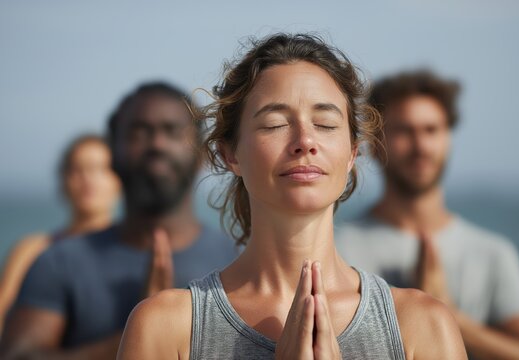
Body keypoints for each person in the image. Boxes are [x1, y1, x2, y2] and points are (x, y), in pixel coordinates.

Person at [117, 34, 466, 359]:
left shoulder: (422, 326)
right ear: (230, 154)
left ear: (352, 154)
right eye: (274, 124)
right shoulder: (168, 327)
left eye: (325, 124)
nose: (305, 140)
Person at [0, 82, 238, 358]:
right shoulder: (58, 262)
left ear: (202, 155)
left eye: (173, 131)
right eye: (139, 132)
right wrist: (139, 332)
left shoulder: (237, 261)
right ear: (111, 153)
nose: (157, 144)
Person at [335, 70, 519, 359]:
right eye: (404, 130)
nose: (421, 146)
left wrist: (450, 317)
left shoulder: (492, 252)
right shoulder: (337, 249)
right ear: (373, 143)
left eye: (432, 130)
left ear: (448, 139)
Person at [0, 134, 120, 336]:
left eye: (100, 169)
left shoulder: (133, 251)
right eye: (77, 169)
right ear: (63, 180)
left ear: (120, 179)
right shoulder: (32, 250)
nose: (88, 178)